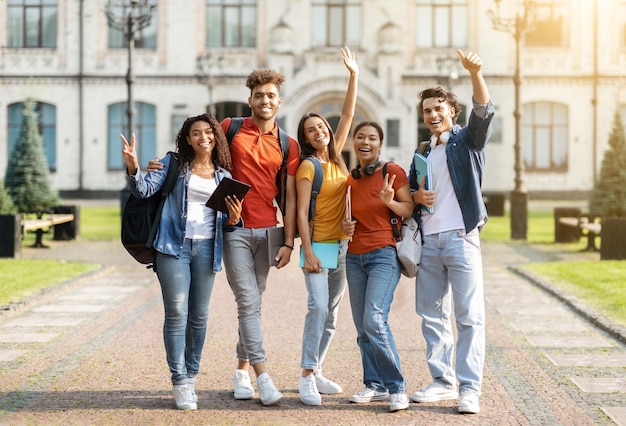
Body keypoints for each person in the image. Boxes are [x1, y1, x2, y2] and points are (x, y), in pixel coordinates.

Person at [148, 69, 299, 406]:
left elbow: (289, 196)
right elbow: (199, 145)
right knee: (245, 302)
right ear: (250, 99)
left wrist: (289, 241)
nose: (265, 100)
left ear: (279, 100)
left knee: (253, 303)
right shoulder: (230, 128)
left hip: (269, 230)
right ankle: (263, 376)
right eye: (258, 95)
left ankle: (241, 371)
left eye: (271, 95)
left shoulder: (288, 143)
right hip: (231, 231)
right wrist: (160, 166)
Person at [121, 113, 242, 411]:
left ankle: (191, 376)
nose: (204, 137)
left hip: (206, 250)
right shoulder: (174, 164)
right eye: (197, 133)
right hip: (172, 248)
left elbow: (228, 224)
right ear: (187, 139)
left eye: (209, 132)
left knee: (199, 317)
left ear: (216, 137)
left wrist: (235, 219)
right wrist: (133, 165)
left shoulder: (223, 177)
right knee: (177, 313)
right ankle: (179, 380)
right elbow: (143, 189)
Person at [408, 50, 494, 415]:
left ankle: (469, 388)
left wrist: (475, 73)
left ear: (451, 112)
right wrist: (415, 195)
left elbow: (483, 113)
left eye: (438, 108)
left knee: (468, 315)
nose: (432, 114)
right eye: (427, 110)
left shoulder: (466, 142)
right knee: (431, 315)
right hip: (428, 242)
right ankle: (443, 382)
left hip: (461, 238)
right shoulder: (422, 151)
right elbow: (412, 198)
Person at [295, 46, 358, 406]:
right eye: (311, 130)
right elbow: (302, 213)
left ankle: (317, 368)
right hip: (317, 245)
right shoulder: (308, 167)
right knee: (318, 307)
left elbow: (348, 113)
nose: (319, 131)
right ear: (306, 138)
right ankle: (305, 374)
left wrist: (353, 76)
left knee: (332, 313)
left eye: (321, 126)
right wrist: (308, 253)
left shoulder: (337, 159)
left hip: (342, 245)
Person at [341, 121, 414, 412]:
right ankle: (374, 384)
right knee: (362, 327)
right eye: (360, 137)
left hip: (383, 254)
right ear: (354, 143)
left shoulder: (391, 172)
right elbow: (347, 220)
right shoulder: (351, 180)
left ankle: (397, 387)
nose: (365, 142)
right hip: (354, 256)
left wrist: (391, 201)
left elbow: (409, 209)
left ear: (380, 144)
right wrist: (344, 225)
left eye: (372, 138)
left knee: (374, 319)